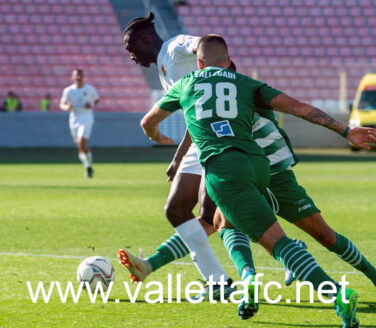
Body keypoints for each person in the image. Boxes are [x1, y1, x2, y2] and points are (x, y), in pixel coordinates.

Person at [141, 35, 376, 327]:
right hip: (258, 163)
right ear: (228, 62)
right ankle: (249, 279)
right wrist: (345, 131)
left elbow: (147, 122)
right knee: (222, 220)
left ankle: (336, 294)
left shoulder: (186, 84)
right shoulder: (247, 84)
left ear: (198, 63)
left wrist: (158, 138)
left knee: (277, 243)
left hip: (226, 169)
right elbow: (300, 107)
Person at [120, 12, 237, 300]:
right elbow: (194, 116)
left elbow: (203, 44)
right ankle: (217, 282)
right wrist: (177, 156)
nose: (132, 58)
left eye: (131, 50)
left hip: (222, 136)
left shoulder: (174, 47)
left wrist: (224, 71)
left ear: (145, 39)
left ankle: (289, 249)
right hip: (199, 139)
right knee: (180, 210)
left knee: (215, 216)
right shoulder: (164, 67)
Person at [59, 69, 99, 178]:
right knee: (80, 147)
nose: (78, 77)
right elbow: (62, 104)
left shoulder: (89, 89)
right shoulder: (68, 91)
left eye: (80, 75)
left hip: (86, 118)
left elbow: (96, 99)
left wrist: (91, 104)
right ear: (72, 77)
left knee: (82, 142)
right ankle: (88, 167)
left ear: (83, 76)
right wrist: (67, 107)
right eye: (76, 76)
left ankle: (89, 166)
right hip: (74, 119)